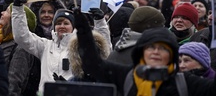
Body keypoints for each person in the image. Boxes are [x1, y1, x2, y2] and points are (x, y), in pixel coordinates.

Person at [74, 9, 216, 96]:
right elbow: (92, 64)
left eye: (162, 48)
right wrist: (83, 30)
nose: (155, 52)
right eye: (150, 47)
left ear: (172, 55)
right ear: (142, 52)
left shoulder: (184, 82)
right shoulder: (128, 76)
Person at [11, 0, 111, 92]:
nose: (61, 26)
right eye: (58, 23)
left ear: (73, 27)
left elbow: (104, 50)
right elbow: (21, 36)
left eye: (66, 23)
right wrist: (18, 9)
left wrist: (100, 22)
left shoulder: (81, 47)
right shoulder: (45, 46)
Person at [0, 3, 40, 96]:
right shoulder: (1, 35)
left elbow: (13, 84)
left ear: (14, 19)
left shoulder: (22, 47)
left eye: (7, 11)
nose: (2, 13)